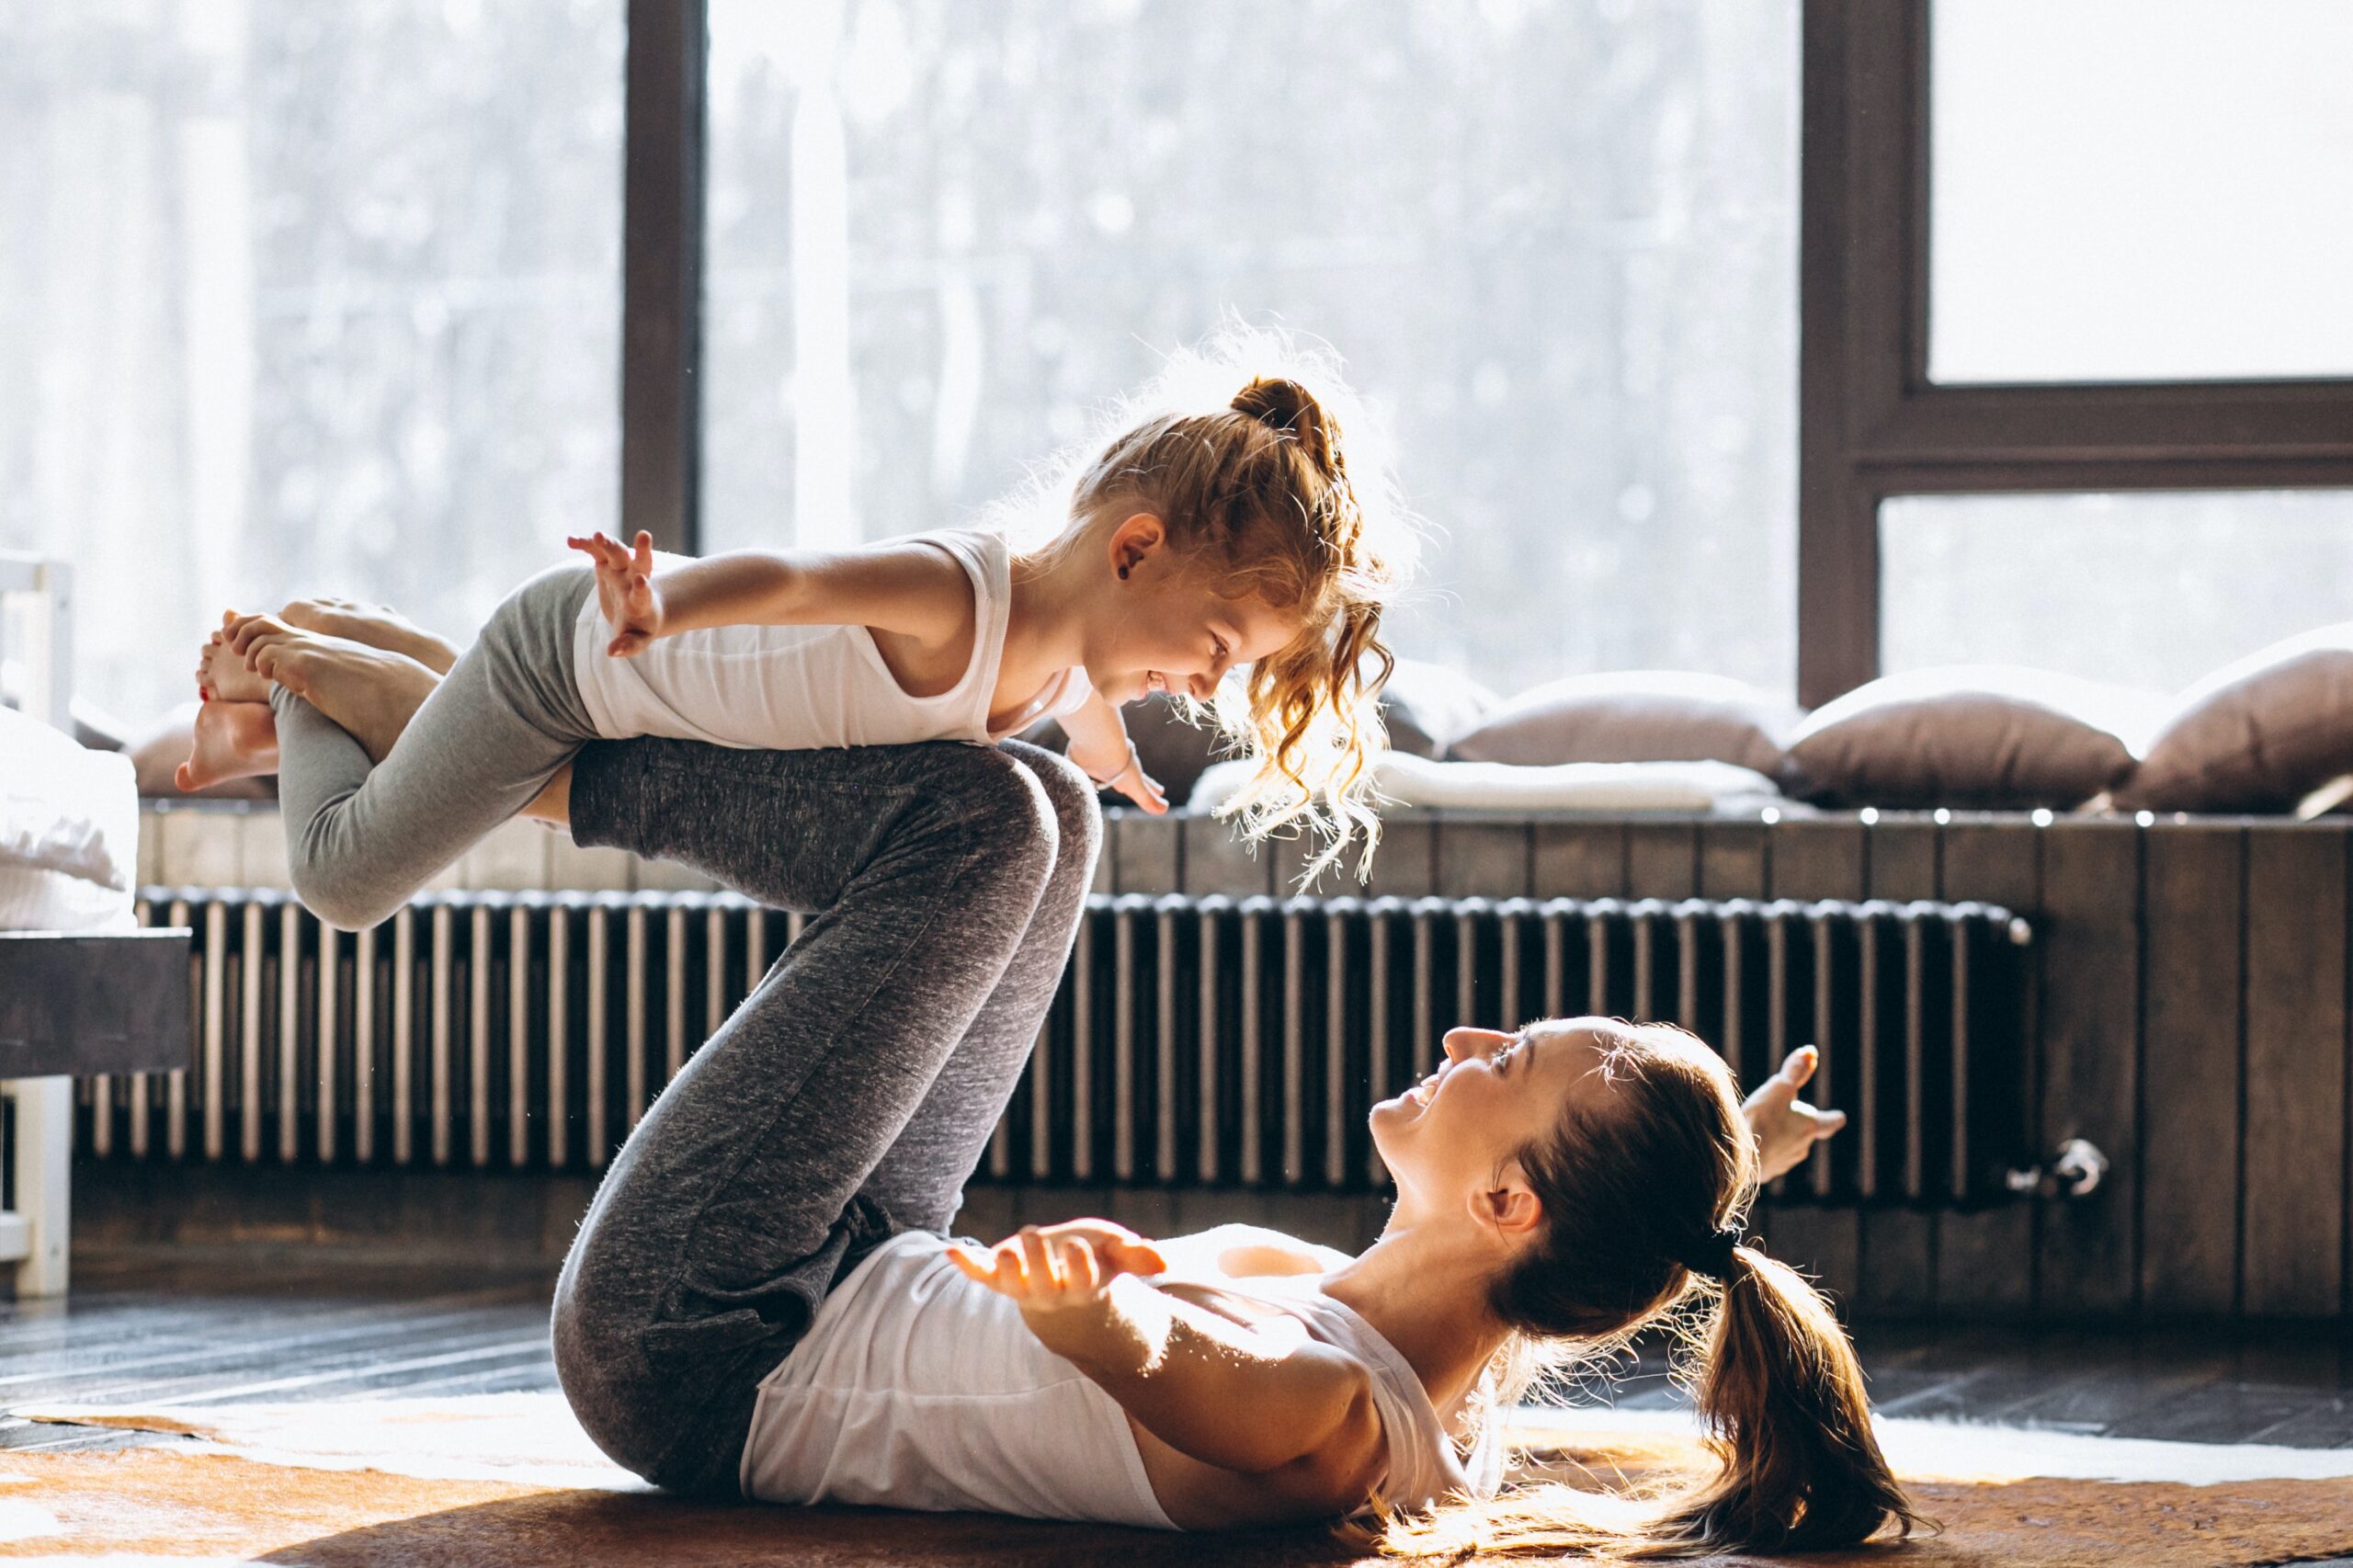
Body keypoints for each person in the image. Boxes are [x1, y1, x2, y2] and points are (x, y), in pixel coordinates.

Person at [238, 610, 1884, 1555]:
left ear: (1511, 1200)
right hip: (863, 1260)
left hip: (709, 1345)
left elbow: (1212, 1385)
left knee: (976, 829)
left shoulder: (1331, 1415)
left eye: (1505, 1060)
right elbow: (1619, 1226)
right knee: (1052, 809)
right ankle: (400, 701)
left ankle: (455, 725)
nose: (1468, 1041)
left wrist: (1112, 1325)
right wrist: (1731, 1158)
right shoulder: (1432, 1344)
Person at [176, 347, 1402, 934]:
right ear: (1134, 550)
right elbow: (795, 578)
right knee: (342, 880)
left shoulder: (1065, 662)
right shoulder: (961, 595)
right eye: (1217, 641)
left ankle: (346, 631)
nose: (1205, 684)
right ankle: (297, 681)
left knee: (484, 768)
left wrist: (1110, 754)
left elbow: (1084, 695)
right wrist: (669, 604)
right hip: (579, 661)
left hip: (625, 705)